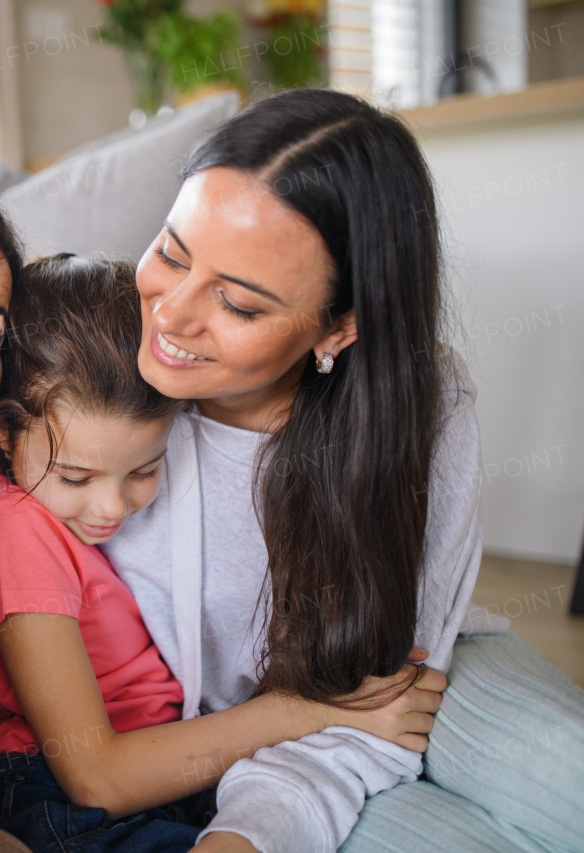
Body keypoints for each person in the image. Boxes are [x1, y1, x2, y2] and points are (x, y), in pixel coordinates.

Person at [100, 88, 583, 853]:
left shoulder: (425, 398)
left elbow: (398, 676)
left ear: (340, 327)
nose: (171, 315)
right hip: (242, 745)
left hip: (417, 676)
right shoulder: (98, 404)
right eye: (171, 252)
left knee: (567, 774)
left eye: (239, 303)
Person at [0, 255, 445, 853]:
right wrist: (317, 710)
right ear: (1, 432)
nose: (111, 508)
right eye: (76, 476)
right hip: (53, 796)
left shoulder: (46, 515)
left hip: (165, 772)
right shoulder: (8, 528)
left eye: (144, 470)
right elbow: (97, 777)